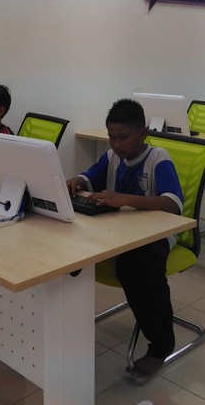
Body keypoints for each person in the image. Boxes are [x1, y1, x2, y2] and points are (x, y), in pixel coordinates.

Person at [66, 98, 183, 383]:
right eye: (111, 137)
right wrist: (76, 182)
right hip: (116, 232)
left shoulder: (159, 158)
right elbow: (88, 177)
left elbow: (173, 203)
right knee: (67, 246)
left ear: (143, 133)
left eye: (123, 137)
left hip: (156, 235)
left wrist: (124, 199)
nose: (116, 144)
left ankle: (161, 346)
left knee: (139, 267)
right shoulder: (111, 157)